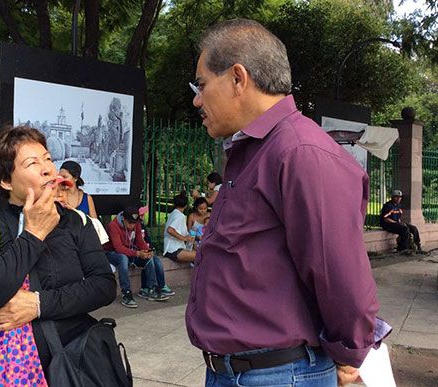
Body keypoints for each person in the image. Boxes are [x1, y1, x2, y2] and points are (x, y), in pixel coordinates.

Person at [185, 19, 390, 387]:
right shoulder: (254, 150)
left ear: (237, 78)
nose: (197, 99)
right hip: (235, 371)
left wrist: (349, 353)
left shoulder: (299, 151)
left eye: (201, 85)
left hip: (280, 375)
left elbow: (340, 272)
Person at [0, 126, 116, 386]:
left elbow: (103, 285)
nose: (47, 169)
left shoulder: (77, 221)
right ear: (6, 181)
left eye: (48, 159)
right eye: (32, 163)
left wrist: (39, 304)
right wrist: (32, 234)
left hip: (73, 363)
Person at [103, 206, 173, 307]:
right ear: (124, 219)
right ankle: (126, 293)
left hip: (129, 250)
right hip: (111, 252)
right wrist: (137, 253)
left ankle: (150, 288)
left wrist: (147, 251)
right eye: (130, 223)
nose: (132, 226)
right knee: (123, 258)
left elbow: (140, 241)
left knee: (149, 258)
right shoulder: (113, 225)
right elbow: (119, 248)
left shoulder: (136, 224)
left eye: (134, 223)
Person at [163, 193, 196, 263]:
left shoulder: (173, 214)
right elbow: (170, 230)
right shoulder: (180, 216)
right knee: (200, 256)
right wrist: (184, 239)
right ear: (186, 205)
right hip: (174, 250)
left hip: (172, 248)